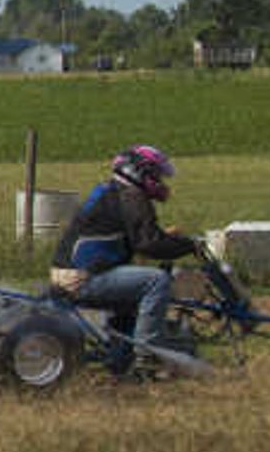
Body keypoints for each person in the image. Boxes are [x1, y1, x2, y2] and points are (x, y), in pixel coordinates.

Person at [49, 144, 194, 350]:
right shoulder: (132, 196)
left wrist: (168, 238)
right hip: (83, 278)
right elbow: (147, 243)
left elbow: (136, 235)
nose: (160, 182)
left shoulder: (112, 191)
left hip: (70, 273)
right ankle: (148, 352)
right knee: (156, 281)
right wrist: (188, 246)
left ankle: (123, 347)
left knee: (136, 281)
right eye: (156, 175)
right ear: (139, 172)